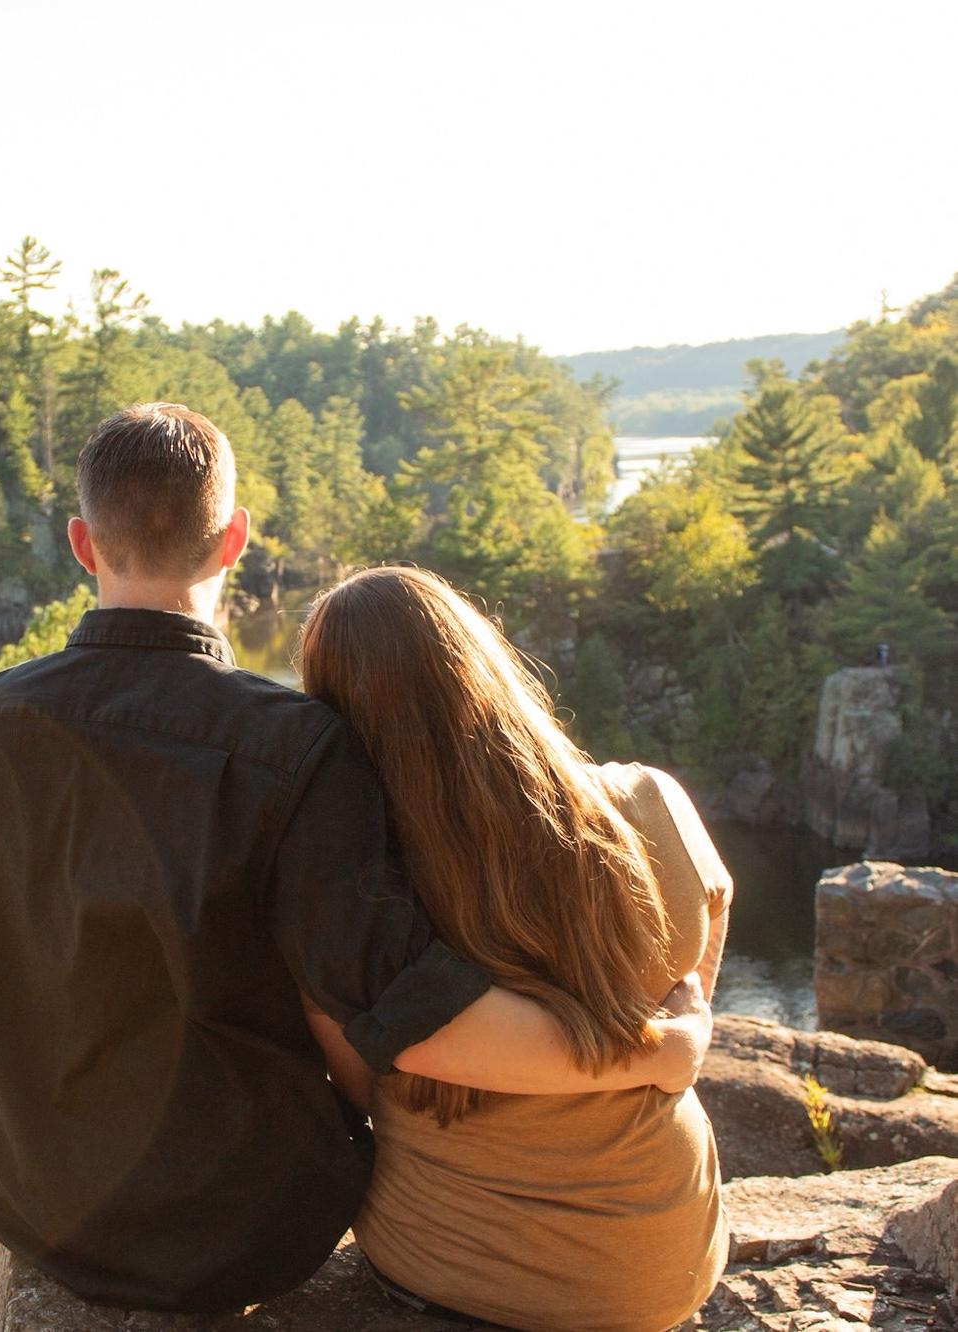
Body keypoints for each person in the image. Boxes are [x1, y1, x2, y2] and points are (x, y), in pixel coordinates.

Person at [0, 403, 715, 1316]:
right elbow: (407, 1016)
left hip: (40, 1208)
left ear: (83, 545)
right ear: (233, 540)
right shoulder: (294, 749)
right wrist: (652, 1052)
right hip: (234, 1236)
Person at [299, 564, 732, 1332]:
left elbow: (362, 1086)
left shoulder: (358, 898)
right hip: (665, 1265)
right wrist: (669, 1025)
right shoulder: (647, 799)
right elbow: (713, 905)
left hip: (456, 1267)